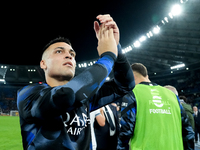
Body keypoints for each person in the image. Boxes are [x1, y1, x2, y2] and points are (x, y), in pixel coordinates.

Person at [17, 14, 134, 150]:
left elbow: (126, 84)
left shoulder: (85, 99)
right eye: (59, 51)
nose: (69, 55)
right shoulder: (28, 95)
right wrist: (108, 56)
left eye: (72, 54)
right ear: (43, 64)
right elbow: (66, 95)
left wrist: (116, 47)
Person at [117, 63, 194, 150]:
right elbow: (188, 131)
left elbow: (125, 132)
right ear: (146, 75)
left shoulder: (132, 95)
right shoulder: (172, 95)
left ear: (132, 76)